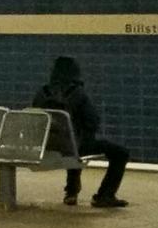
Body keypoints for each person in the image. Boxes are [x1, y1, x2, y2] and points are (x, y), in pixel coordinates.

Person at [31, 55, 129, 207]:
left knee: (71, 143)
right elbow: (93, 121)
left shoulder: (42, 92)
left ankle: (71, 192)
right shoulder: (77, 93)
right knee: (120, 153)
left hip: (47, 145)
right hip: (74, 146)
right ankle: (105, 195)